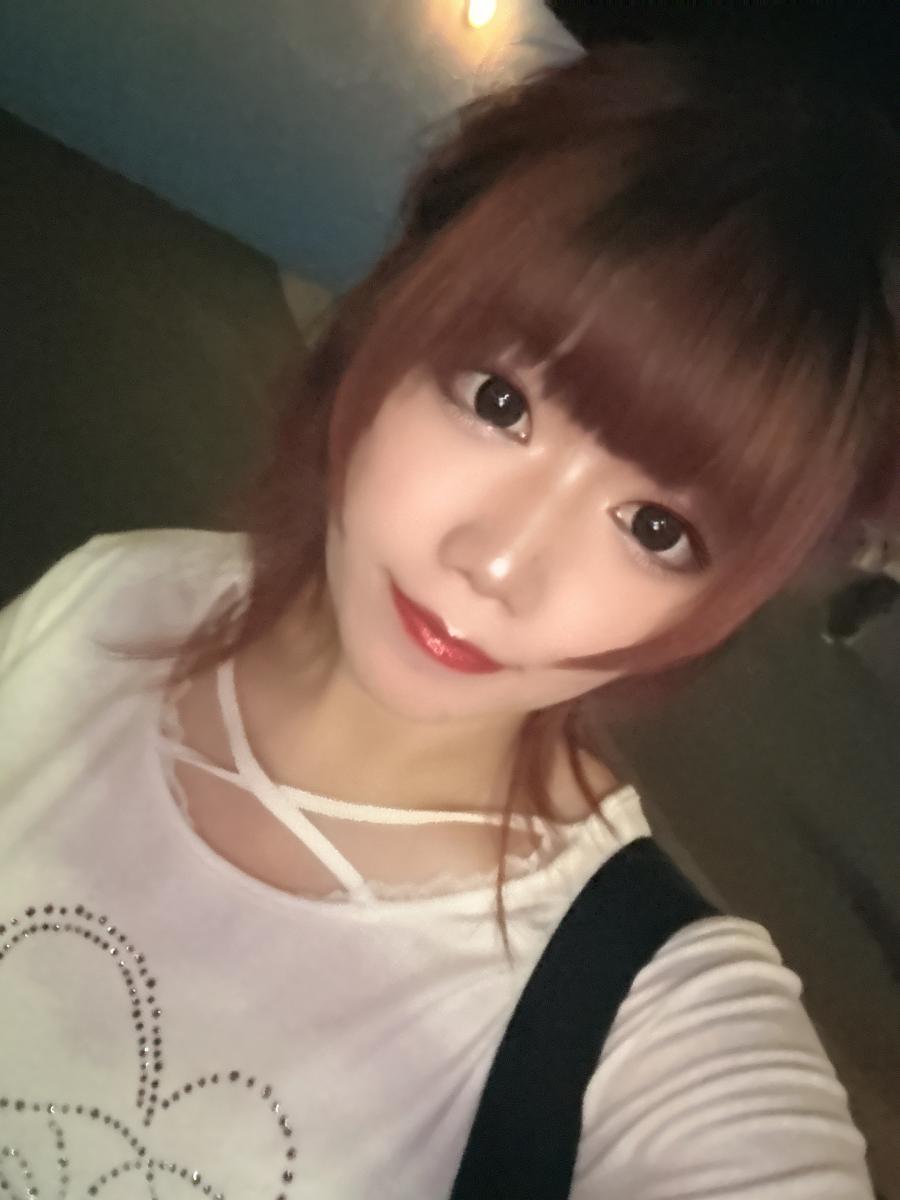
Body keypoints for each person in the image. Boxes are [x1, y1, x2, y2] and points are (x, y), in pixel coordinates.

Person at [0, 39, 897, 1200]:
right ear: (393, 307)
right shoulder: (118, 594)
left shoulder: (638, 1021)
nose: (500, 563)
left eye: (656, 528)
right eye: (499, 400)